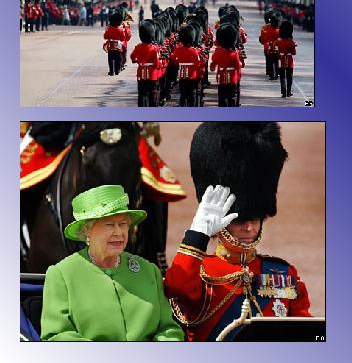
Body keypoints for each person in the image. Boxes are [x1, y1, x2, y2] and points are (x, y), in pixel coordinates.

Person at [164, 123, 311, 341]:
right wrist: (198, 233)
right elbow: (176, 287)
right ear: (221, 221)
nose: (249, 228)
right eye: (239, 220)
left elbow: (306, 335)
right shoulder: (201, 272)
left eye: (255, 219)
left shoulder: (283, 273)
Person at [40, 185, 184, 341]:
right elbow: (57, 336)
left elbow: (169, 330)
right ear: (86, 230)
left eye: (123, 224)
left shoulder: (149, 271)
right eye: (109, 225)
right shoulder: (62, 274)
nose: (119, 233)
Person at [130, 20, 164, 107]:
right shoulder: (154, 48)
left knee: (142, 95)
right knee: (152, 95)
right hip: (152, 75)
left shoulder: (138, 47)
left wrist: (138, 62)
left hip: (141, 74)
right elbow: (157, 63)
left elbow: (133, 57)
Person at [210, 23, 242, 107]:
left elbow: (213, 64)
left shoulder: (218, 52)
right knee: (231, 97)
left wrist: (212, 67)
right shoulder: (234, 54)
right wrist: (238, 77)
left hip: (221, 78)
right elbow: (238, 67)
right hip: (232, 78)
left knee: (222, 97)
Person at [170, 25, 203, 107]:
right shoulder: (194, 51)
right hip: (192, 76)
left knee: (183, 94)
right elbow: (198, 64)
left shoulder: (178, 49)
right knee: (191, 95)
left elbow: (173, 59)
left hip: (182, 76)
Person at [275, 20, 297, 98]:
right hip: (289, 60)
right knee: (289, 76)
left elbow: (275, 48)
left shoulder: (278, 41)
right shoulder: (291, 41)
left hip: (281, 59)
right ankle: (289, 91)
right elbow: (294, 53)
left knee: (282, 76)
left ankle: (283, 92)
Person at [103, 10, 126, 75]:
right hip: (118, 45)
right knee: (118, 59)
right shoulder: (120, 29)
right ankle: (117, 70)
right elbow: (123, 38)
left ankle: (111, 71)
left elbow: (105, 36)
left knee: (110, 59)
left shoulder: (109, 29)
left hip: (111, 45)